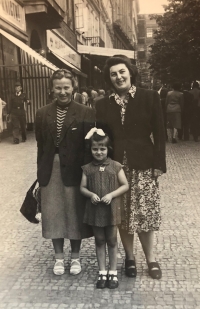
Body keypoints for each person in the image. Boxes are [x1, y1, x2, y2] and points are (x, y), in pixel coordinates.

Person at [96, 55, 166, 280]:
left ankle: (151, 259)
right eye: (113, 74)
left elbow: (160, 132)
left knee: (145, 214)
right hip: (117, 168)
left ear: (130, 72)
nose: (118, 77)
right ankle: (129, 257)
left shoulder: (150, 97)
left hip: (144, 165)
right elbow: (101, 138)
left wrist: (159, 164)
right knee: (123, 215)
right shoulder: (103, 104)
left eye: (122, 72)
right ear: (109, 79)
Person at [35, 69, 95, 276]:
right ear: (52, 89)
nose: (62, 92)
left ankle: (76, 257)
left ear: (73, 87)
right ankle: (59, 258)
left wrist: (88, 175)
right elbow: (40, 147)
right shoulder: (42, 113)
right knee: (53, 213)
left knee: (74, 212)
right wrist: (40, 174)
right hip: (51, 169)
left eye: (66, 87)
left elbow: (89, 146)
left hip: (76, 169)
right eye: (58, 87)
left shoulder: (86, 112)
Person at [80, 129, 129, 289]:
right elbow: (82, 188)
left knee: (112, 240)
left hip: (111, 209)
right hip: (95, 210)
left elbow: (125, 185)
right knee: (99, 240)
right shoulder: (87, 168)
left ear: (108, 149)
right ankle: (102, 271)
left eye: (102, 149)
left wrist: (111, 195)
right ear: (91, 149)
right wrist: (90, 194)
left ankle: (112, 271)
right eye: (95, 149)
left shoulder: (116, 166)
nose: (99, 152)